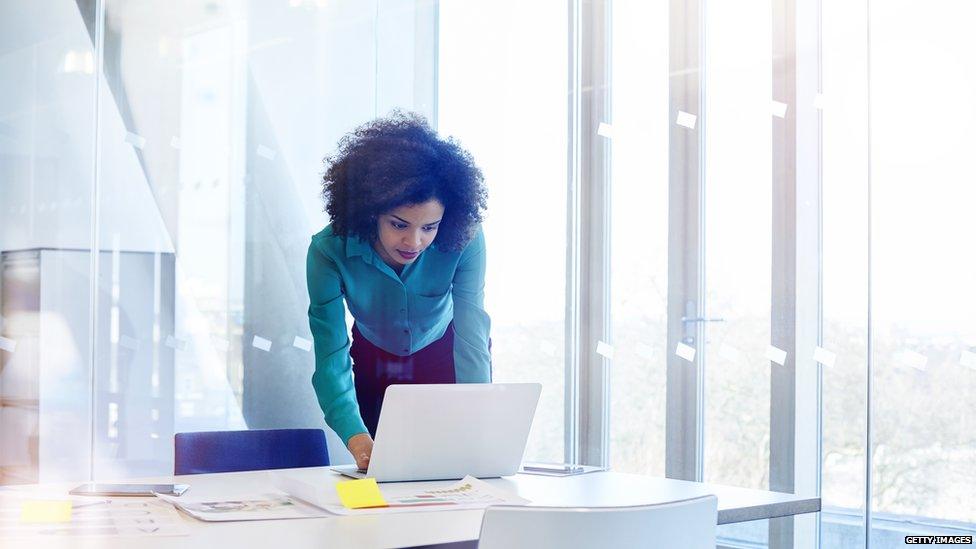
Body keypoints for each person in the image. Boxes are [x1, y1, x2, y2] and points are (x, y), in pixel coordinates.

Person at [306, 111, 491, 471]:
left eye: (430, 227)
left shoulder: (467, 239)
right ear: (369, 211)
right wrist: (355, 435)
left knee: (459, 467)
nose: (414, 241)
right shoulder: (328, 250)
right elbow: (331, 357)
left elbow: (472, 338)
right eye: (398, 224)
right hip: (375, 361)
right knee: (382, 472)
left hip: (446, 353)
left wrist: (478, 420)